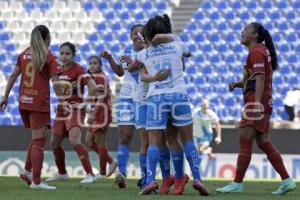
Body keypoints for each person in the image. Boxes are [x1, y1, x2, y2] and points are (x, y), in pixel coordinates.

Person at [216, 22, 296, 195]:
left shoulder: (257, 52)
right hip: (263, 101)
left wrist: (257, 103)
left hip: (257, 102)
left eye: (245, 29)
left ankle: (237, 183)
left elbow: (260, 79)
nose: (242, 31)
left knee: (245, 138)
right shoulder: (260, 51)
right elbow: (257, 77)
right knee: (264, 142)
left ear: (254, 35)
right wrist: (239, 84)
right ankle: (287, 180)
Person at [137, 14, 209, 196]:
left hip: (156, 98)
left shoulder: (144, 53)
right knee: (187, 141)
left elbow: (136, 67)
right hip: (179, 96)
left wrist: (149, 42)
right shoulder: (178, 44)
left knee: (154, 142)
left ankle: (151, 180)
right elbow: (188, 53)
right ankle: (198, 178)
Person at [0, 25, 63, 189]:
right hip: (38, 102)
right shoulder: (49, 56)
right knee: (39, 141)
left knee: (36, 138)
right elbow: (56, 84)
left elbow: (14, 75)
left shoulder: (24, 54)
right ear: (48, 38)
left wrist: (5, 96)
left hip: (24, 101)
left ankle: (28, 172)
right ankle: (36, 181)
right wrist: (64, 101)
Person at [46, 42, 99, 184]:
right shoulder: (57, 69)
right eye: (61, 53)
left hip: (75, 110)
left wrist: (83, 104)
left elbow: (94, 88)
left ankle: (90, 174)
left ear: (73, 55)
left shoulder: (78, 69)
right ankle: (62, 173)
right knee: (54, 143)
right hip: (62, 109)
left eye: (67, 53)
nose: (64, 56)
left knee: (74, 140)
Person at [101, 24, 144, 189]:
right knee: (124, 137)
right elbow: (120, 72)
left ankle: (146, 176)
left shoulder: (149, 51)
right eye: (134, 33)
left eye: (141, 33)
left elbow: (141, 70)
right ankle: (122, 174)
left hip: (143, 99)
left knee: (145, 139)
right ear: (130, 35)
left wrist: (133, 62)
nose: (138, 35)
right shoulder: (126, 50)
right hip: (126, 98)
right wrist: (110, 58)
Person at [85, 56, 117, 179]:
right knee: (90, 141)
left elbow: (102, 97)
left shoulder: (100, 77)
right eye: (90, 63)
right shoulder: (93, 78)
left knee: (99, 142)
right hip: (98, 112)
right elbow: (91, 95)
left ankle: (105, 169)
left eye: (95, 63)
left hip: (101, 113)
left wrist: (93, 113)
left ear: (100, 65)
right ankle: (109, 164)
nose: (92, 65)